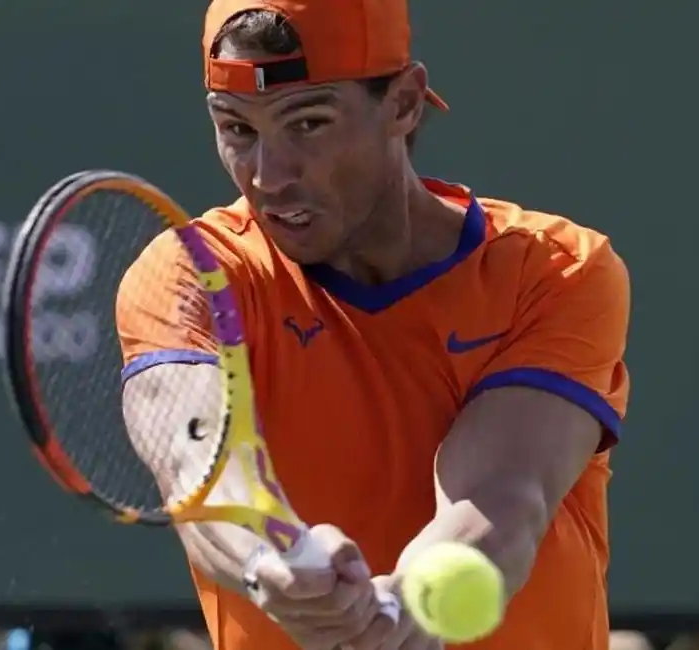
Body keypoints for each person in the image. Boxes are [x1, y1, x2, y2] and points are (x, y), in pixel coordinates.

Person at [115, 0, 631, 649]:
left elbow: (505, 495)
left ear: (404, 103)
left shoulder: (556, 271)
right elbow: (199, 467)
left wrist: (406, 605)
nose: (268, 176)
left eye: (309, 123)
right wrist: (270, 560)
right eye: (237, 129)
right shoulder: (190, 273)